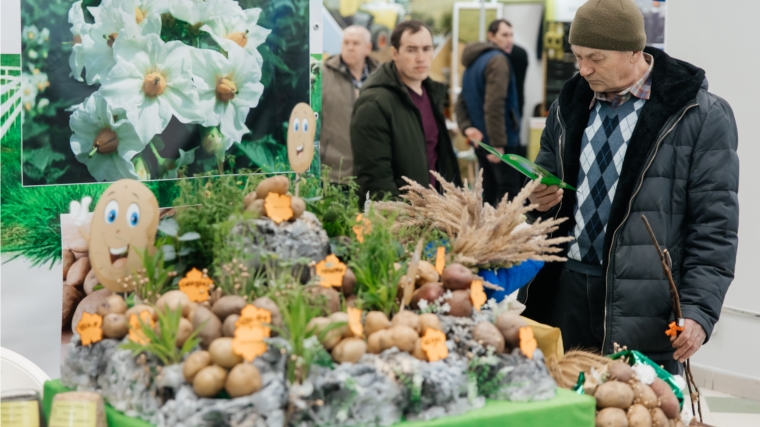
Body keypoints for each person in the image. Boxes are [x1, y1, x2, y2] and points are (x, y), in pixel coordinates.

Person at [519, 0, 738, 375]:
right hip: (563, 291)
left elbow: (714, 227)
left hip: (645, 304)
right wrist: (537, 199)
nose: (583, 69)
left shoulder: (698, 115)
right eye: (577, 56)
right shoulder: (568, 105)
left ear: (636, 51)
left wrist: (699, 310)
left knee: (631, 410)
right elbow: (543, 180)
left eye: (596, 58)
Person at [351, 21, 462, 201]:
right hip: (402, 220)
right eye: (411, 50)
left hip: (438, 215)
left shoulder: (432, 93)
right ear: (395, 53)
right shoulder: (374, 103)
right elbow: (375, 179)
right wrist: (403, 221)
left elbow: (438, 157)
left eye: (426, 49)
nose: (421, 57)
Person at [455, 19, 522, 205]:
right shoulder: (498, 60)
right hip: (500, 141)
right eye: (504, 35)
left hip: (482, 141)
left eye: (511, 35)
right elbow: (494, 105)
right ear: (491, 36)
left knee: (490, 192)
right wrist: (498, 145)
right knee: (508, 194)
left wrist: (467, 128)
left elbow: (460, 102)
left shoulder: (472, 64)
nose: (509, 40)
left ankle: (487, 234)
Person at [321, 26, 378, 185]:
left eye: (355, 43)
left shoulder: (380, 77)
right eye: (346, 42)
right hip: (332, 170)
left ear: (368, 48)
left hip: (371, 172)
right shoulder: (323, 74)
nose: (350, 47)